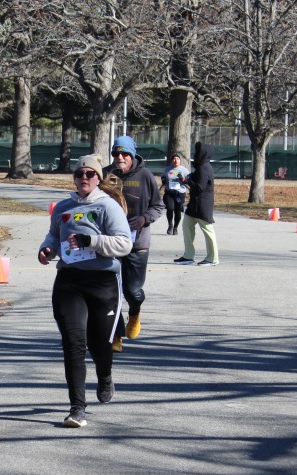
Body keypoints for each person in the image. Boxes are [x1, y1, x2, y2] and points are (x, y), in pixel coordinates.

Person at [38, 155, 133, 427]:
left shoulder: (108, 206)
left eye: (90, 174)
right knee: (73, 343)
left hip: (103, 282)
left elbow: (124, 244)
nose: (84, 178)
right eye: (79, 174)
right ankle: (77, 408)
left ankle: (105, 376)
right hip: (69, 281)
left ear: (98, 178)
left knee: (100, 345)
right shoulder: (63, 208)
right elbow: (54, 235)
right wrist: (47, 249)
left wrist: (90, 241)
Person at [102, 135, 164, 350]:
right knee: (111, 291)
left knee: (133, 291)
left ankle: (135, 313)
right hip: (110, 241)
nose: (120, 157)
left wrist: (144, 219)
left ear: (132, 155)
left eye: (125, 154)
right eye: (116, 153)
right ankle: (115, 334)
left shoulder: (145, 175)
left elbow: (158, 206)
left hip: (138, 243)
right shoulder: (106, 174)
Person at [174, 142, 219, 266]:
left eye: (199, 152)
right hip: (194, 204)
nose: (196, 155)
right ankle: (188, 256)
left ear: (204, 154)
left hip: (203, 204)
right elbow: (194, 178)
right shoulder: (200, 167)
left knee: (208, 231)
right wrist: (186, 179)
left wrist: (187, 181)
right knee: (187, 226)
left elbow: (199, 187)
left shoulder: (205, 168)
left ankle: (213, 258)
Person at [160, 154, 189, 235]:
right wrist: (164, 181)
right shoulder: (167, 169)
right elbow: (163, 176)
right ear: (171, 161)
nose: (176, 160)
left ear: (180, 161)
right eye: (174, 159)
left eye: (177, 159)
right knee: (170, 208)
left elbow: (189, 179)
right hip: (169, 192)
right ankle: (170, 225)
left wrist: (183, 179)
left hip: (180, 193)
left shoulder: (184, 170)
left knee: (178, 211)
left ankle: (175, 227)